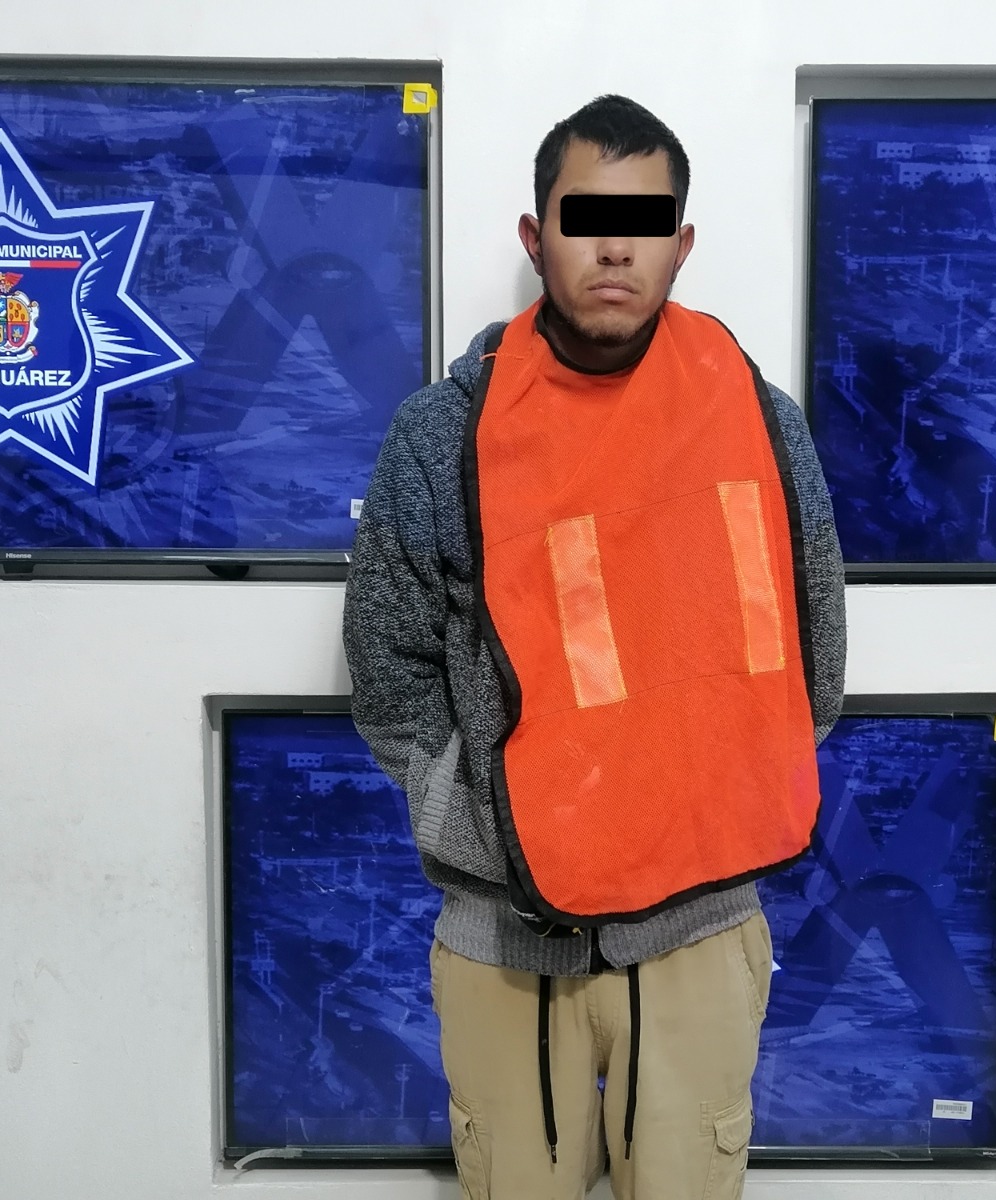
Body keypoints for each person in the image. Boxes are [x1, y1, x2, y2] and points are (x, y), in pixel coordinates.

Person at [343, 94, 847, 1200]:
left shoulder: (761, 420)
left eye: (645, 221)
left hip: (702, 933)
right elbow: (388, 674)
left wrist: (702, 797)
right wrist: (483, 828)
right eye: (585, 218)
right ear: (536, 237)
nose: (616, 247)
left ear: (682, 243)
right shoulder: (441, 436)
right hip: (505, 940)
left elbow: (813, 660)